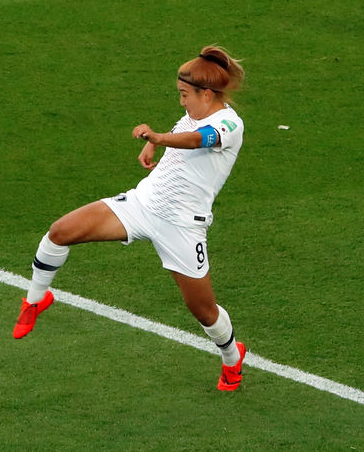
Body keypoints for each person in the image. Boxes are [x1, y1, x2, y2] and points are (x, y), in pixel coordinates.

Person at [14, 45, 247, 391]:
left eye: (185, 95)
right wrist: (153, 144)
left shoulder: (228, 123)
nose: (182, 101)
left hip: (182, 226)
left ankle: (232, 358)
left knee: (204, 311)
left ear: (207, 93)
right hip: (142, 204)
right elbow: (184, 130)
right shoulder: (193, 114)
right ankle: (35, 299)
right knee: (60, 231)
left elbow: (200, 139)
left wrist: (158, 137)